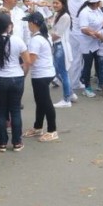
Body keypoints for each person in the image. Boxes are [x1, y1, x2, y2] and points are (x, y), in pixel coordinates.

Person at [0, 13, 29, 152]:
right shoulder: (17, 40)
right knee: (15, 110)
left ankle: (2, 143)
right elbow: (27, 61)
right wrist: (22, 72)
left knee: (0, 111)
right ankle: (17, 142)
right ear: (9, 26)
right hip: (16, 78)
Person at [24, 12, 58, 142]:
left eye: (28, 22)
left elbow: (30, 60)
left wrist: (21, 65)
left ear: (33, 24)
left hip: (41, 74)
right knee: (40, 101)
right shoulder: (45, 36)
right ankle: (38, 126)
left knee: (45, 102)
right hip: (46, 72)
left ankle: (52, 130)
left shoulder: (36, 40)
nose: (27, 25)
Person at [48, 0, 75, 107]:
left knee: (62, 73)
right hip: (57, 45)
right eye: (53, 2)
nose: (54, 5)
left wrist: (48, 37)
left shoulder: (65, 17)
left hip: (60, 46)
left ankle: (66, 99)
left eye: (57, 3)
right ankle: (70, 93)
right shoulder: (57, 14)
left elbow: (57, 34)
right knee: (58, 71)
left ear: (63, 4)